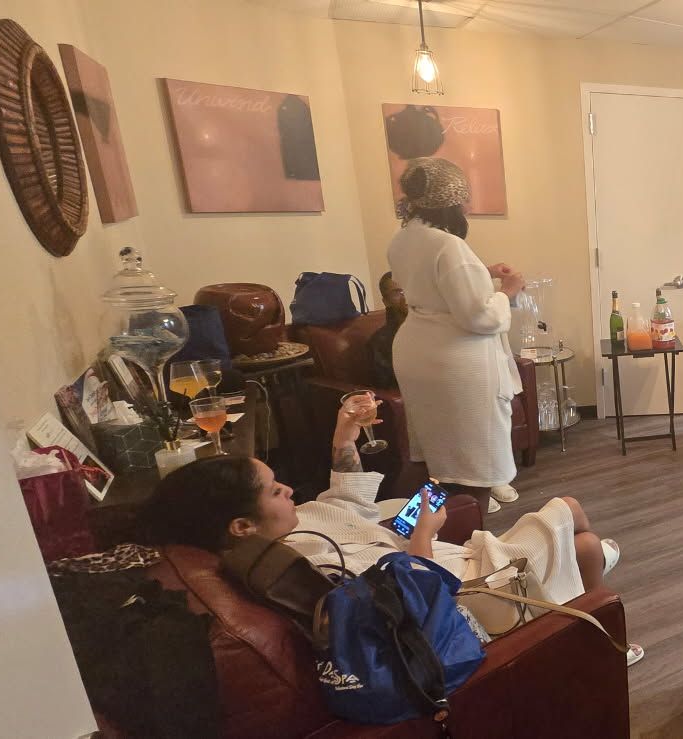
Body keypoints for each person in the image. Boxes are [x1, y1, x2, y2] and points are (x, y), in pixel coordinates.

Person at [138, 396, 645, 664]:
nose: (289, 489)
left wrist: (344, 435)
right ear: (242, 524)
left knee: (576, 543)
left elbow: (341, 502)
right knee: (570, 509)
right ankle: (600, 637)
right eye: (274, 490)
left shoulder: (285, 532)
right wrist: (423, 533)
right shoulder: (307, 567)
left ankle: (585, 570)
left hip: (438, 558)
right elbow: (409, 605)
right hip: (471, 590)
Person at [387, 157, 525, 513]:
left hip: (417, 352)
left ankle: (410, 534)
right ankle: (468, 547)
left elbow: (433, 285)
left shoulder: (403, 239)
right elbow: (477, 315)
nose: (467, 206)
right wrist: (507, 290)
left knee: (435, 459)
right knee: (475, 465)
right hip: (455, 362)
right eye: (464, 199)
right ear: (450, 201)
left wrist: (482, 271)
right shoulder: (450, 246)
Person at [368, 271, 407, 389]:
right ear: (386, 301)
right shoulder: (380, 343)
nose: (406, 296)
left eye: (409, 288)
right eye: (398, 292)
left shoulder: (430, 328)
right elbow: (388, 387)